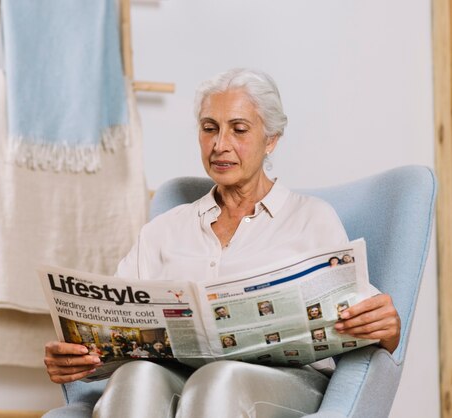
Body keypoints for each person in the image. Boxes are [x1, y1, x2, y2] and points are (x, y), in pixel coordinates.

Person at [43, 68, 401, 418]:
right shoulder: (164, 230)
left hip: (287, 384)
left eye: (239, 129)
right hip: (179, 376)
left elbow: (364, 322)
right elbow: (113, 329)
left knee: (218, 378)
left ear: (271, 138)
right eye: (209, 128)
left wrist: (386, 326)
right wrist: (77, 357)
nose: (219, 145)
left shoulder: (312, 219)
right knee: (134, 376)